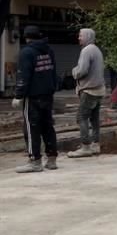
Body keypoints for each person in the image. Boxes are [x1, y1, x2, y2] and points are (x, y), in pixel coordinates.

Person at [12, 25, 59, 172]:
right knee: (47, 126)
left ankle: (35, 161)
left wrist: (18, 95)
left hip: (32, 97)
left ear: (26, 37)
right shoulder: (48, 50)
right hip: (48, 95)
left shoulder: (26, 52)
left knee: (31, 129)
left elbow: (23, 76)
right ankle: (51, 159)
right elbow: (53, 72)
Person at [69, 28, 105, 158]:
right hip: (99, 90)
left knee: (82, 118)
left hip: (89, 90)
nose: (78, 38)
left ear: (87, 36)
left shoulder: (86, 50)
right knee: (94, 119)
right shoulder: (96, 50)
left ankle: (85, 147)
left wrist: (74, 71)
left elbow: (82, 71)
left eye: (80, 36)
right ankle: (96, 144)